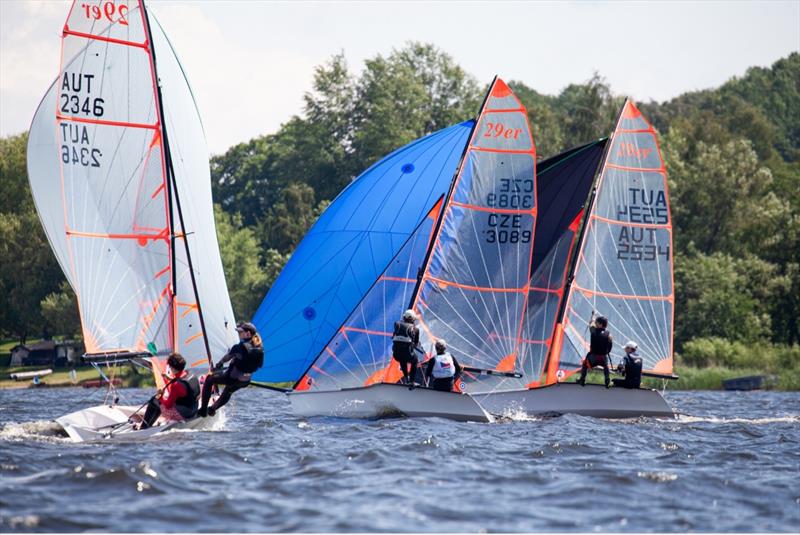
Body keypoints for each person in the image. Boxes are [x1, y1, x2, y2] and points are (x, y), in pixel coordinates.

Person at [198, 321, 264, 417]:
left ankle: (203, 410)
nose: (239, 334)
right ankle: (212, 409)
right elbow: (260, 365)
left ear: (248, 333)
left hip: (232, 378)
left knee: (209, 379)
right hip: (245, 381)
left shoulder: (239, 347)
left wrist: (218, 365)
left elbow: (226, 358)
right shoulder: (260, 348)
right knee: (229, 390)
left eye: (240, 332)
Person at [138, 353, 200, 429]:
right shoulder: (191, 375)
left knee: (154, 401)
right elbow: (186, 386)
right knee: (164, 399)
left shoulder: (175, 385)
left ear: (172, 368)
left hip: (184, 414)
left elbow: (168, 405)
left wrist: (160, 397)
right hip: (194, 410)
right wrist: (169, 379)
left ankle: (144, 427)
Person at [577, 313, 613, 388]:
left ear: (600, 324)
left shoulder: (594, 331)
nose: (595, 323)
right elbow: (610, 347)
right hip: (603, 357)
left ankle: (582, 379)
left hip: (593, 357)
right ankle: (607, 380)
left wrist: (593, 316)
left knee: (585, 364)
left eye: (597, 322)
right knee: (606, 366)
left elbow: (591, 323)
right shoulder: (609, 334)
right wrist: (606, 352)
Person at [392, 309, 421, 387]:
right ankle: (411, 381)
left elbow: (394, 335)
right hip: (407, 354)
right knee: (415, 360)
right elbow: (415, 344)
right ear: (413, 319)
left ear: (404, 317)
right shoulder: (416, 329)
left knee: (402, 358)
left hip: (396, 355)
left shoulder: (396, 324)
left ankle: (406, 378)